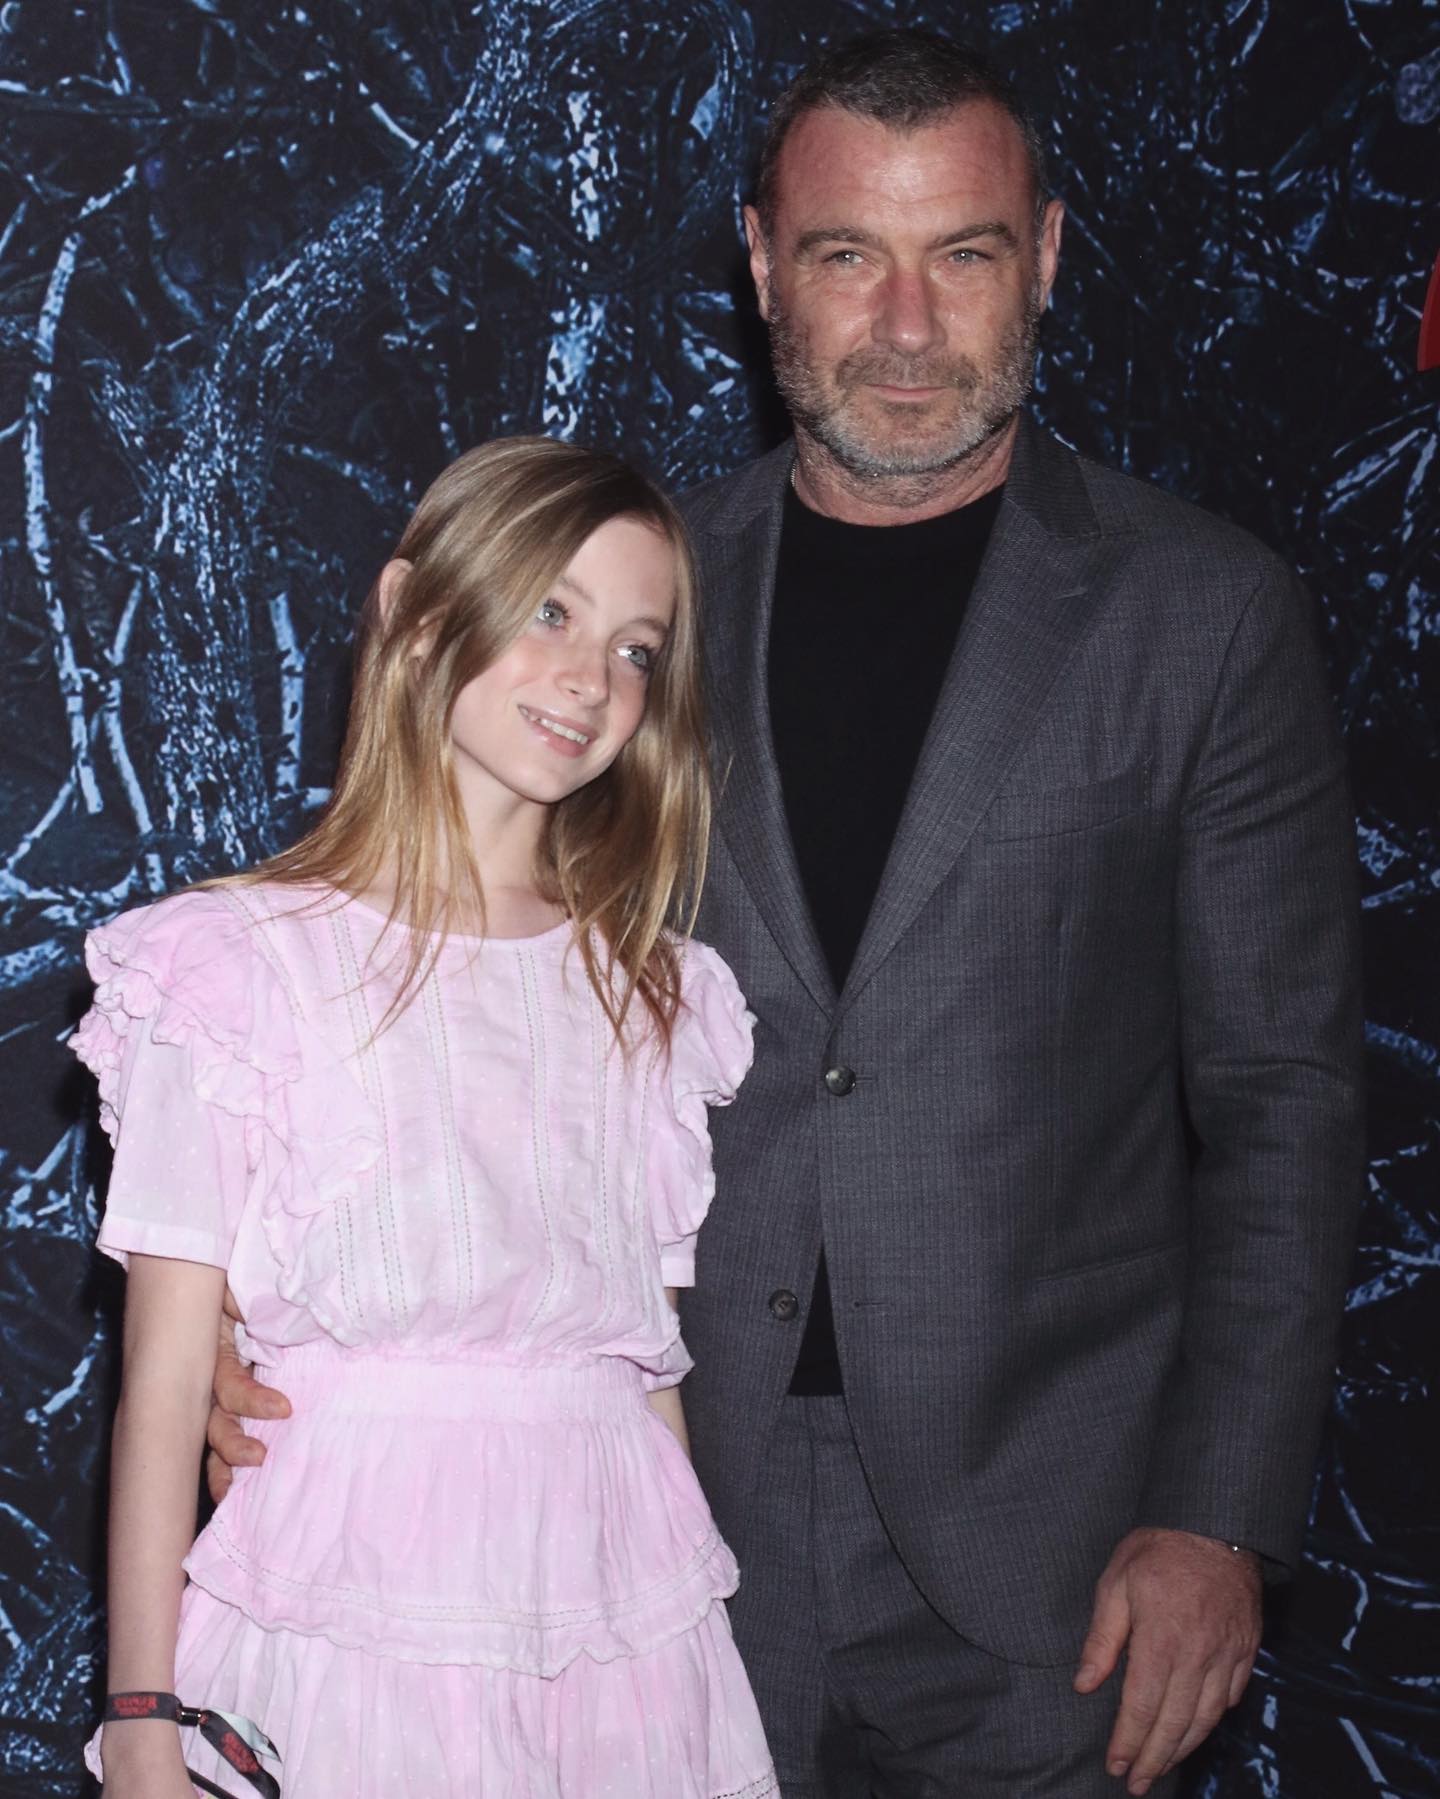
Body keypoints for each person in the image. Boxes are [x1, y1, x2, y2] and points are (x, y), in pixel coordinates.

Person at [209, 28, 1364, 1799]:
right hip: (647, 1515)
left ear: (1046, 256)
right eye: (845, 255)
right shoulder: (636, 602)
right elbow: (436, 961)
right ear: (761, 263)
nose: (906, 326)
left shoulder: (1201, 616)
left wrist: (1219, 1517)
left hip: (1055, 1556)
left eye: (962, 254)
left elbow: (1285, 1102)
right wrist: (249, 1322)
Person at [74, 437, 778, 1798]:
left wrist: (688, 1684)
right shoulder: (232, 968)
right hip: (344, 1620)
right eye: (549, 610)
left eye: (636, 649)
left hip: (612, 1646)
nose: (591, 677)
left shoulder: (654, 994)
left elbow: (648, 1377)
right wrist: (143, 1725)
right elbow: (161, 1388)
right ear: (412, 612)